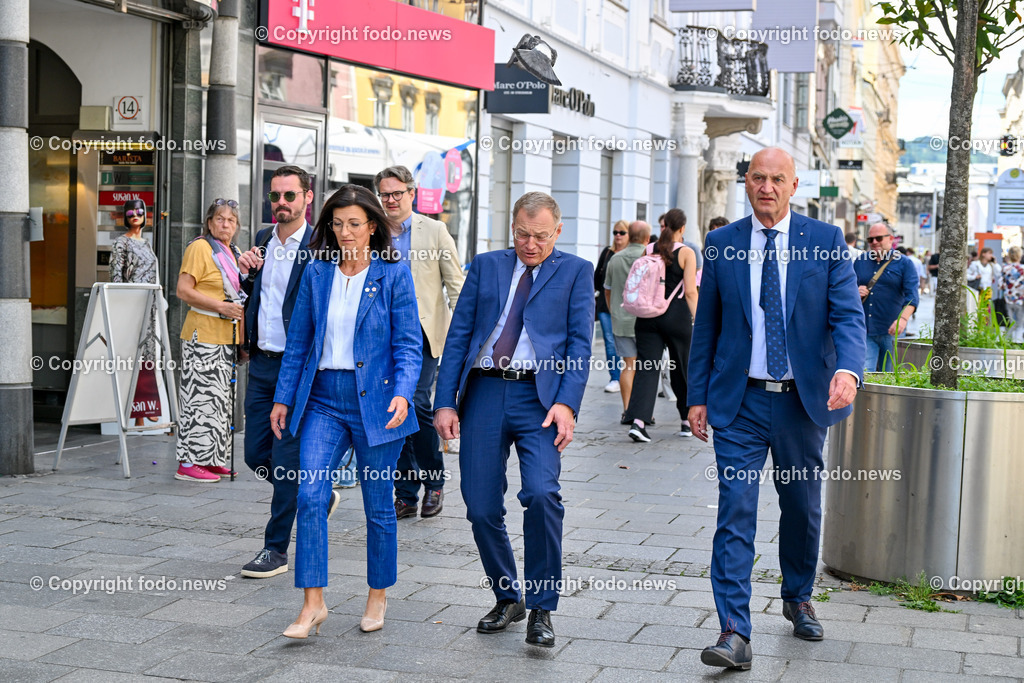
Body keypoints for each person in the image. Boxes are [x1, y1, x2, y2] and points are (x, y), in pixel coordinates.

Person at [687, 147, 865, 670]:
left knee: (802, 509)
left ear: (793, 186)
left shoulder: (825, 240)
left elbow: (848, 318)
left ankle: (797, 595)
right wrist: (696, 395)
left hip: (800, 403)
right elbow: (708, 329)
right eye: (757, 178)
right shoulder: (722, 244)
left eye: (777, 179)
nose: (766, 187)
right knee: (736, 511)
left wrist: (848, 371)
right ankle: (733, 632)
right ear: (747, 183)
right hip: (739, 401)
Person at [433, 191, 593, 649]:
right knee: (480, 504)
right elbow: (459, 333)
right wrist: (445, 402)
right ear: (512, 228)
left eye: (540, 236)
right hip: (484, 391)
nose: (530, 244)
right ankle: (508, 596)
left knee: (542, 494)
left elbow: (581, 345)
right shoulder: (487, 265)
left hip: (540, 400)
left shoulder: (577, 272)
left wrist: (568, 403)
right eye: (522, 234)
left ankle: (542, 607)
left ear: (556, 232)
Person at [270, 184, 421, 638]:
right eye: (337, 224)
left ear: (372, 226)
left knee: (379, 505)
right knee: (310, 495)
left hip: (378, 401)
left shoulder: (393, 273)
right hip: (322, 399)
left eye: (354, 224)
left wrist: (405, 392)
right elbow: (297, 343)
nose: (345, 233)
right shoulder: (318, 272)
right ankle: (312, 603)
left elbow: (409, 344)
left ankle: (378, 595)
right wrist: (283, 397)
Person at [236, 165, 318, 579]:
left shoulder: (321, 246)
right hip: (263, 363)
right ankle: (306, 492)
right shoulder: (262, 240)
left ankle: (275, 548)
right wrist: (246, 273)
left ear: (307, 196)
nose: (281, 204)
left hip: (297, 368)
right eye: (275, 196)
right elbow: (253, 296)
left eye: (289, 196)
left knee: (285, 459)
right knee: (254, 454)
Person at [374, 165, 465, 521]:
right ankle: (407, 493)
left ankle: (435, 481)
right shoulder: (372, 232)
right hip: (382, 337)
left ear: (412, 193)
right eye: (385, 194)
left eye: (397, 193)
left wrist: (463, 341)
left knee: (416, 403)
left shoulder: (436, 230)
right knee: (394, 409)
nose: (391, 200)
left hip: (424, 335)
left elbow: (455, 286)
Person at [174, 199, 246, 483]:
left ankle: (211, 458)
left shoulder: (236, 252)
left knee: (220, 403)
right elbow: (183, 290)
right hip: (201, 335)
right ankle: (188, 464)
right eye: (219, 218)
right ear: (209, 222)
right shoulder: (200, 248)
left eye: (230, 220)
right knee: (199, 401)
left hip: (226, 338)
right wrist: (221, 307)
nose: (224, 224)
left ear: (237, 226)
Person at [626, 209, 698, 442]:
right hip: (676, 318)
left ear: (663, 226)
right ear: (682, 228)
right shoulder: (687, 253)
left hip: (647, 317)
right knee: (681, 368)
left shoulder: (648, 249)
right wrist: (697, 319)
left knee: (647, 368)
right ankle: (686, 421)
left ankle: (638, 421)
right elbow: (689, 291)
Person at [109, 199, 160, 427]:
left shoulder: (146, 243)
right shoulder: (121, 243)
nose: (135, 215)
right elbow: (116, 276)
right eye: (131, 212)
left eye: (140, 211)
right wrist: (120, 305)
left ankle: (144, 409)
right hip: (131, 305)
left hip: (149, 306)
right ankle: (135, 410)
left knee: (148, 356)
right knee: (133, 355)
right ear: (125, 216)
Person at [604, 221, 650, 423]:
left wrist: (614, 310)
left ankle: (627, 410)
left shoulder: (615, 258)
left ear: (629, 236)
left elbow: (607, 289)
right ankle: (643, 412)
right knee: (647, 366)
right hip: (647, 320)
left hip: (621, 319)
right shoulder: (651, 258)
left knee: (628, 365)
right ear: (647, 239)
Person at [854, 225, 918, 372]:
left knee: (889, 377)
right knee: (864, 376)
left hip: (892, 330)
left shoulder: (904, 263)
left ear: (890, 239)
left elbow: (912, 297)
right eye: (870, 239)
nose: (874, 242)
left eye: (879, 238)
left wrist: (902, 320)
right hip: (865, 330)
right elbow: (846, 289)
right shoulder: (860, 261)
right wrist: (855, 291)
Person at [595, 220, 629, 393]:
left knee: (629, 343)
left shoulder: (634, 254)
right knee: (610, 342)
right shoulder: (607, 253)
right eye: (615, 232)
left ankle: (629, 376)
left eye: (622, 232)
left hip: (628, 307)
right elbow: (597, 277)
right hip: (606, 306)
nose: (618, 235)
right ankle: (615, 377)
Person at [1001, 246, 1024, 343]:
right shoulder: (1022, 268)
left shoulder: (1005, 268)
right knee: (1020, 324)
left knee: (1010, 323)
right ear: (1020, 255)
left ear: (1009, 255)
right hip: (1020, 300)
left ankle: (1006, 343)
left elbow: (1000, 285)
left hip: (1008, 299)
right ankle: (1018, 343)